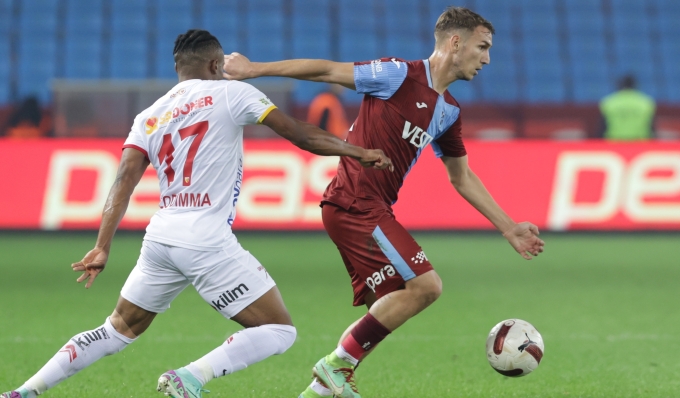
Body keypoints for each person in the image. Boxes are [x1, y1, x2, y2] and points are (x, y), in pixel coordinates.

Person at [1, 29, 392, 398]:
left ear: (177, 67)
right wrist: (357, 152)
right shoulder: (232, 93)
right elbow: (300, 134)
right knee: (278, 330)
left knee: (116, 329)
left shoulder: (149, 116)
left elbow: (123, 181)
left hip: (161, 237)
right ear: (215, 65)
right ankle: (189, 378)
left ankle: (24, 391)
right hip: (204, 237)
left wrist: (102, 246)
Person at [223, 6, 545, 398]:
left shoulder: (449, 112)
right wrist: (253, 69)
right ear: (454, 42)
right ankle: (334, 367)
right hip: (355, 202)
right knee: (426, 286)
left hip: (366, 208)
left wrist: (509, 227)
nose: (487, 58)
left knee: (390, 305)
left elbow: (461, 176)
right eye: (482, 46)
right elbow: (327, 71)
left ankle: (322, 388)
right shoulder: (398, 75)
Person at [599, 74, 656, 140]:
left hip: (615, 142)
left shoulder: (608, 102)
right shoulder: (647, 102)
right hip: (640, 142)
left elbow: (602, 128)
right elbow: (651, 128)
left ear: (620, 85)